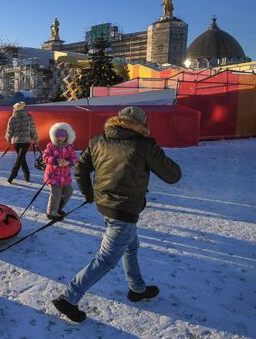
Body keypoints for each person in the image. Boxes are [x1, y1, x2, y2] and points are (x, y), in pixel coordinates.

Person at [53, 106, 182, 323]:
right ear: (141, 125)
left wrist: (89, 194)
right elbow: (173, 175)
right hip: (123, 210)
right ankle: (69, 298)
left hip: (106, 206)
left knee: (131, 246)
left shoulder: (97, 140)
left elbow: (81, 169)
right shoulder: (144, 145)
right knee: (105, 259)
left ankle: (137, 289)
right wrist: (154, 151)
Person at [42, 122, 78, 220]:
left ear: (66, 137)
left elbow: (74, 159)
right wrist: (55, 160)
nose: (60, 138)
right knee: (56, 194)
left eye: (62, 136)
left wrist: (68, 162)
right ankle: (52, 213)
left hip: (65, 175)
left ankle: (58, 208)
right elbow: (44, 157)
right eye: (57, 136)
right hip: (53, 175)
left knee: (68, 192)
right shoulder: (51, 146)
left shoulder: (69, 147)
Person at [5, 101, 38, 183]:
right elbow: (33, 129)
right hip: (26, 141)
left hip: (16, 141)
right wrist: (36, 140)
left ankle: (13, 175)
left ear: (15, 108)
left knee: (20, 158)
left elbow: (9, 131)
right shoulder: (29, 116)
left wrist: (9, 139)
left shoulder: (12, 118)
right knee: (21, 158)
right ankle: (27, 176)